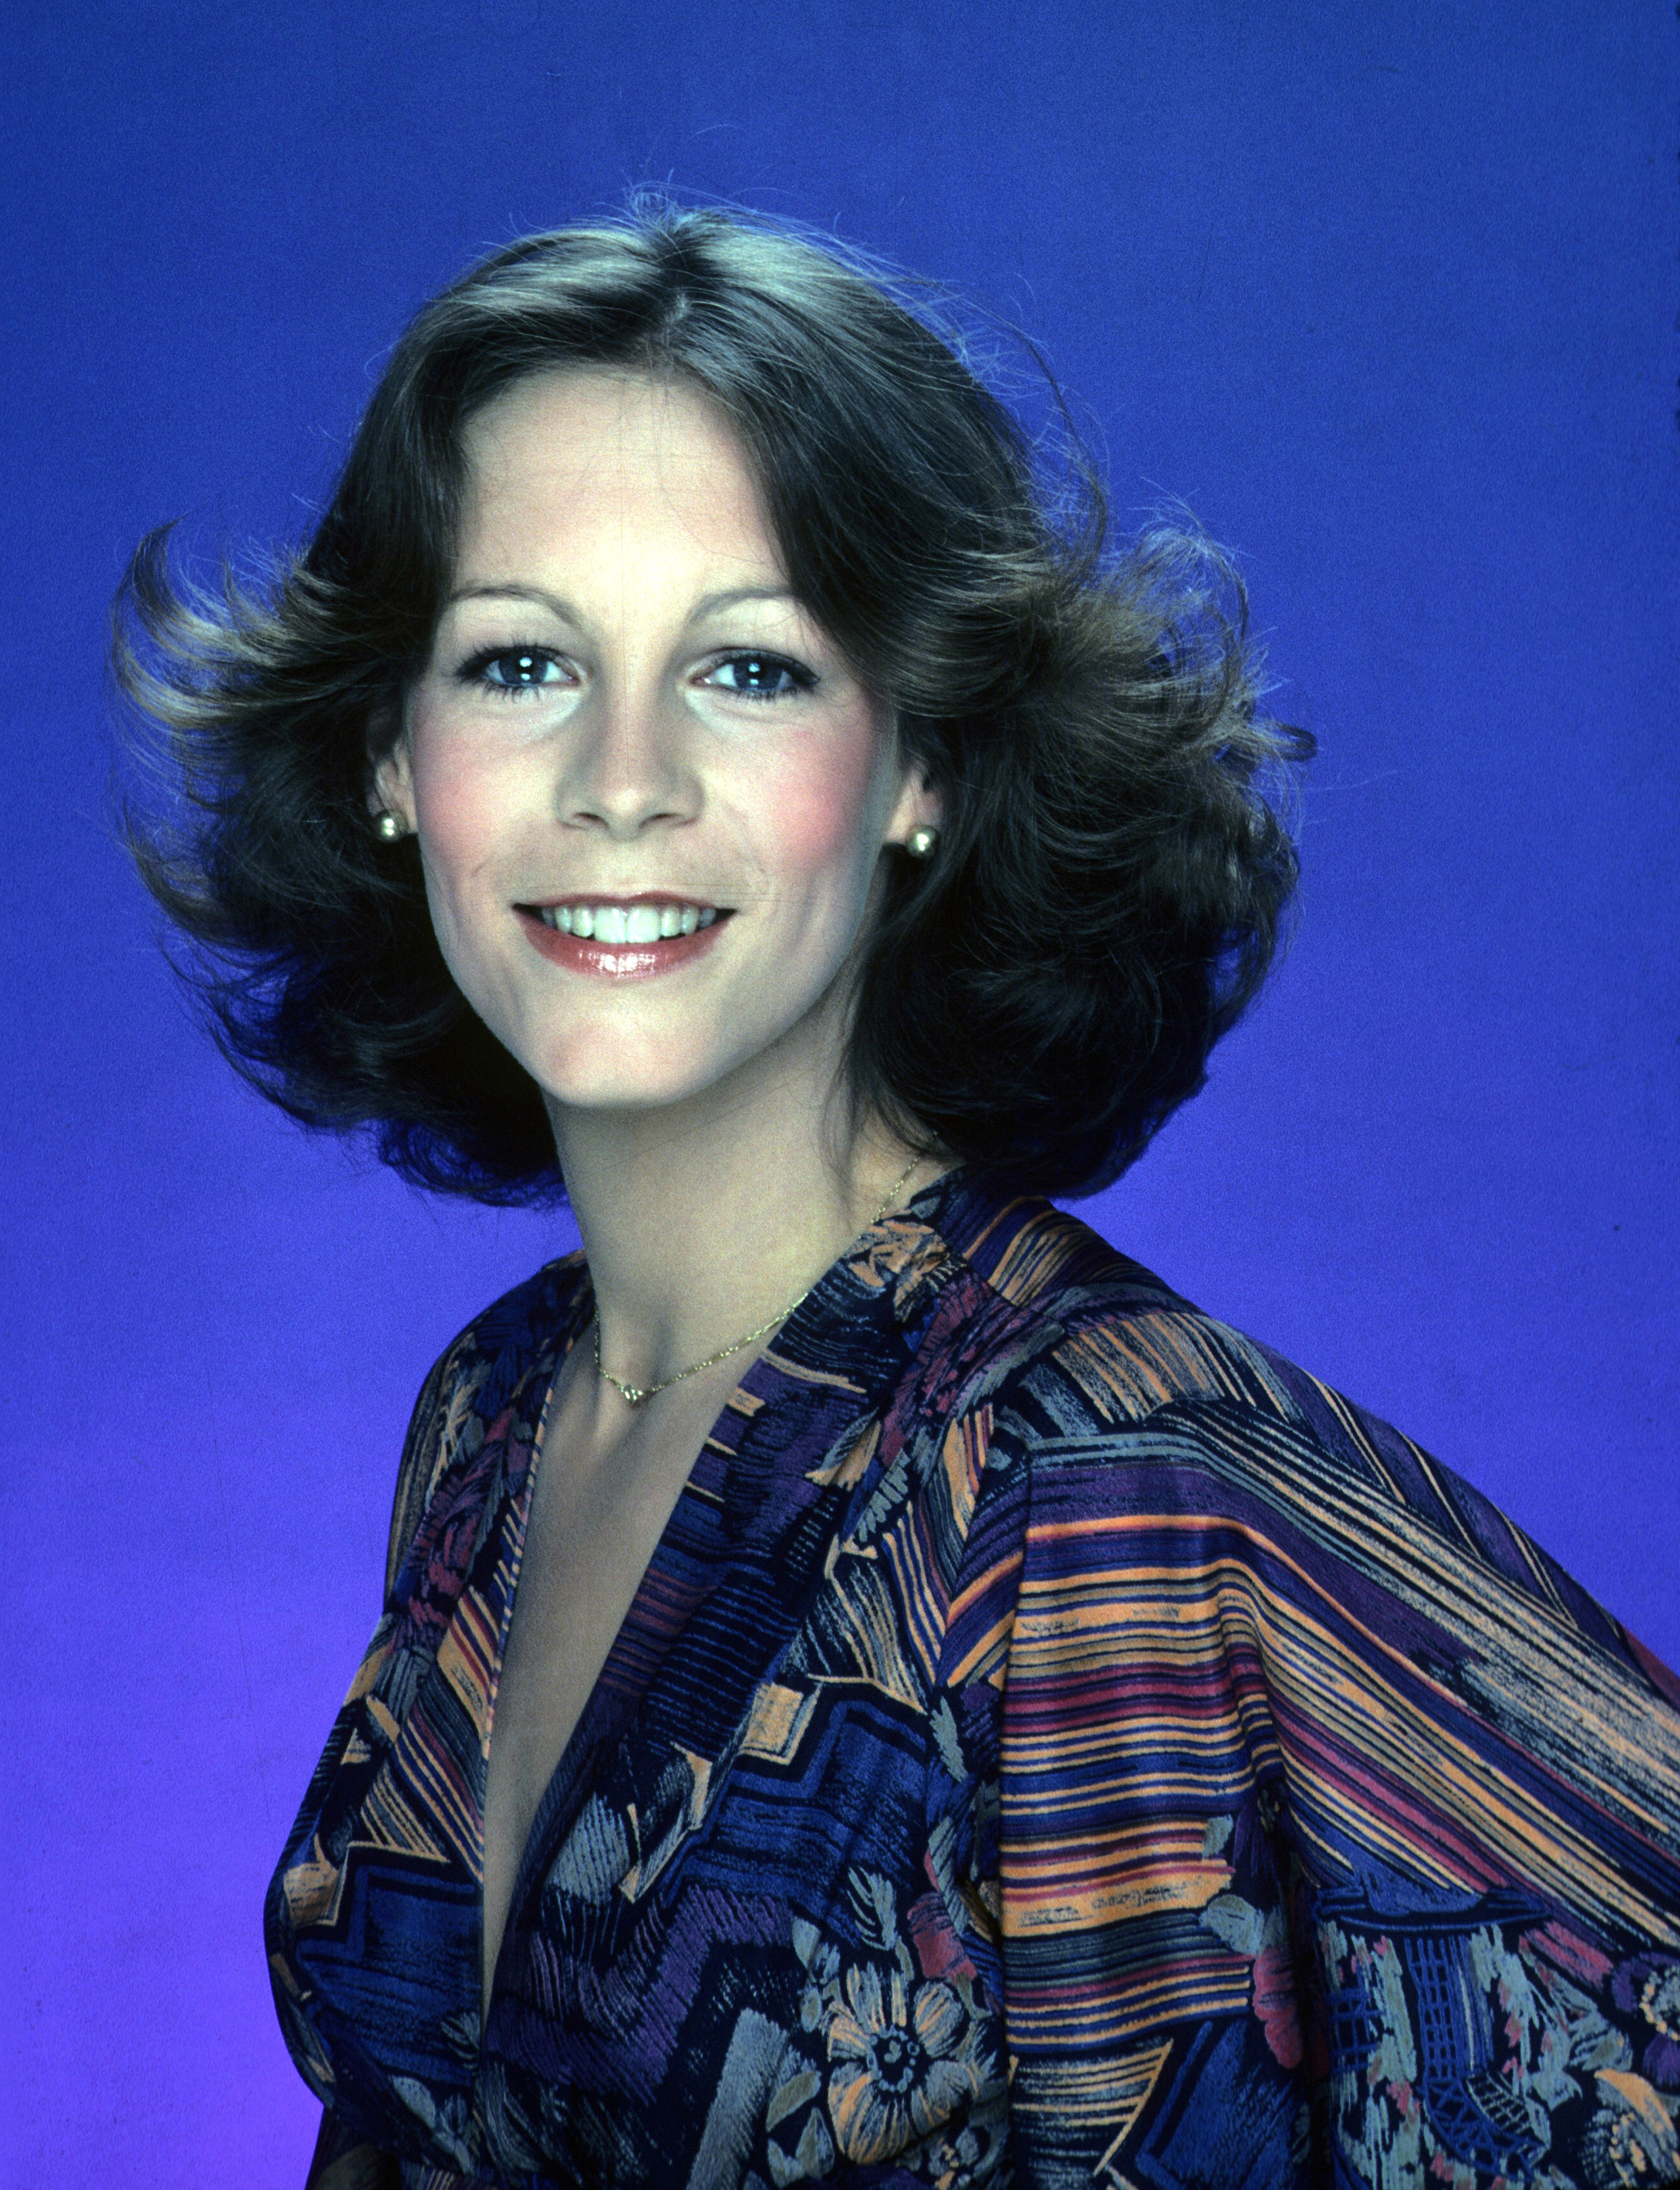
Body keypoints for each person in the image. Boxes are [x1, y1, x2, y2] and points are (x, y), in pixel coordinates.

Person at [111, 207, 1680, 2190]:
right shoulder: (493, 1422)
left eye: (748, 670)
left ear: (919, 759)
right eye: (519, 659)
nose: (620, 778)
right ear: (389, 763)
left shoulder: (1103, 1474)